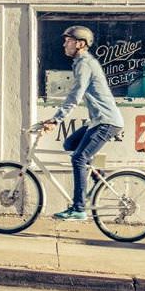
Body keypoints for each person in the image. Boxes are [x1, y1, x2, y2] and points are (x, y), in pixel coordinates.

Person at [40, 25, 124, 221]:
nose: (64, 44)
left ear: (80, 44)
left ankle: (78, 209)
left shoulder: (85, 63)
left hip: (106, 121)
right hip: (98, 120)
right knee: (70, 144)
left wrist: (56, 119)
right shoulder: (81, 62)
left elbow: (75, 95)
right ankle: (98, 181)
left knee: (79, 158)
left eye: (68, 41)